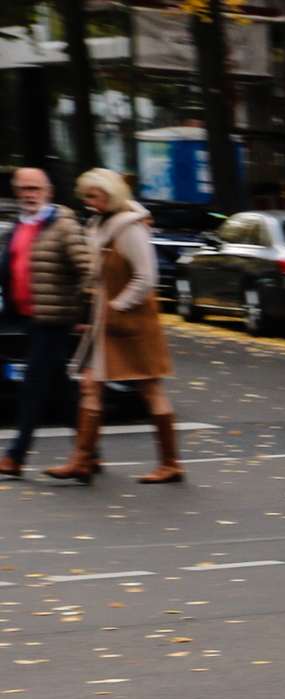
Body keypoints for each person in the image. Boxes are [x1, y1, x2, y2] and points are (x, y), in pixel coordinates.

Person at [44, 168, 179, 486]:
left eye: (94, 195)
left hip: (132, 322)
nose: (88, 202)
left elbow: (147, 278)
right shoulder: (97, 224)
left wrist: (117, 306)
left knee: (150, 389)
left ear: (111, 194)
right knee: (90, 384)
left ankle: (171, 463)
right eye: (86, 196)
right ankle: (82, 459)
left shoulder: (129, 227)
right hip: (105, 322)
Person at [1, 166, 89, 479]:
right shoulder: (19, 224)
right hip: (29, 316)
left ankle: (16, 455)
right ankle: (89, 452)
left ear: (48, 192)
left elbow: (85, 269)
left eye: (35, 189)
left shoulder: (62, 225)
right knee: (62, 388)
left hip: (54, 316)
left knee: (33, 385)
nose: (29, 194)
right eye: (24, 188)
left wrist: (82, 312)